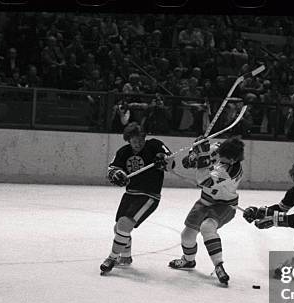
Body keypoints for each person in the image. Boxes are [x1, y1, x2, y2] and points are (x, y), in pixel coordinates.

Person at [168, 137, 245, 286]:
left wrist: (201, 156)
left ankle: (218, 265)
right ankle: (188, 261)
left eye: (225, 159)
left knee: (207, 227)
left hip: (224, 206)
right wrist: (194, 153)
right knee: (187, 235)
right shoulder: (218, 148)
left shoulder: (232, 172)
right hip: (205, 200)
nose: (221, 159)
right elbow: (193, 157)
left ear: (234, 159)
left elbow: (204, 181)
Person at [101, 122, 175, 275]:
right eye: (134, 141)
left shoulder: (155, 145)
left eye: (141, 140)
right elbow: (112, 168)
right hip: (130, 193)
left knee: (124, 224)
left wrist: (164, 161)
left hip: (149, 195)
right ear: (128, 140)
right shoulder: (123, 152)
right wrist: (116, 174)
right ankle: (126, 257)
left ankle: (112, 258)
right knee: (118, 228)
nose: (138, 144)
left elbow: (171, 162)